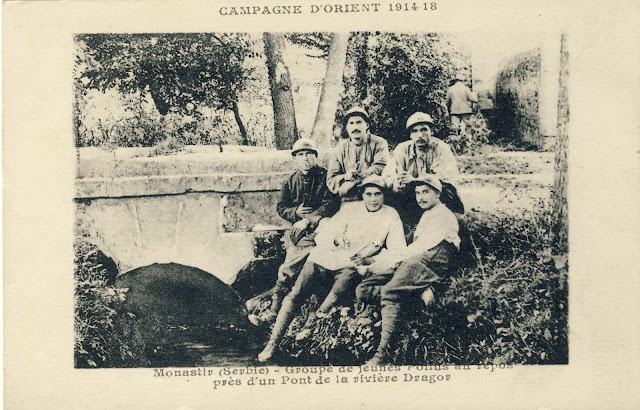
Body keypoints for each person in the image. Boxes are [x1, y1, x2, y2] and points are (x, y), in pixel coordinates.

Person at [257, 175, 406, 363]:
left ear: (384, 196)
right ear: (362, 195)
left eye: (378, 194)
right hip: (327, 255)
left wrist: (370, 259)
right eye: (368, 194)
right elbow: (326, 232)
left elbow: (397, 250)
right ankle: (272, 343)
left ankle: (310, 327)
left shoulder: (390, 215)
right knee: (296, 294)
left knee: (336, 293)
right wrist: (337, 239)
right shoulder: (351, 209)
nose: (373, 199)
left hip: (351, 264)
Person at [359, 176, 460, 365]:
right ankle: (417, 292)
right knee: (364, 289)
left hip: (432, 258)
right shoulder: (428, 213)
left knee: (389, 293)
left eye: (426, 192)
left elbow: (423, 246)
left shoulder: (442, 215)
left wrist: (393, 260)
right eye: (417, 193)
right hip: (419, 256)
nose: (420, 197)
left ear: (437, 194)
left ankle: (383, 355)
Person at [248, 138, 338, 326]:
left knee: (316, 269)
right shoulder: (290, 181)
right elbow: (281, 207)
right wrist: (295, 213)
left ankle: (313, 313)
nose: (305, 159)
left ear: (315, 157)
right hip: (301, 236)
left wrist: (309, 219)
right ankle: (274, 310)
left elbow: (331, 202)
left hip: (323, 230)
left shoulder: (324, 176)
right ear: (295, 159)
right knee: (287, 269)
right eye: (300, 155)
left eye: (309, 154)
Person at [382, 111, 464, 228]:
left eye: (424, 130)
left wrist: (416, 181)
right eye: (415, 131)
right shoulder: (402, 149)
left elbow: (447, 178)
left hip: (436, 196)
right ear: (410, 135)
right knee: (388, 193)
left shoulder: (441, 148)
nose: (420, 135)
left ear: (432, 131)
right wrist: (397, 182)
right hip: (410, 195)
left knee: (447, 194)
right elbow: (388, 175)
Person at [326, 107, 390, 203]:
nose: (355, 127)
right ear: (347, 128)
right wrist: (345, 177)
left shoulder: (379, 143)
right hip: (349, 198)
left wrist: (360, 177)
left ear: (367, 125)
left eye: (359, 122)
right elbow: (331, 179)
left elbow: (381, 166)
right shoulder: (339, 149)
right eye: (351, 123)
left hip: (373, 195)